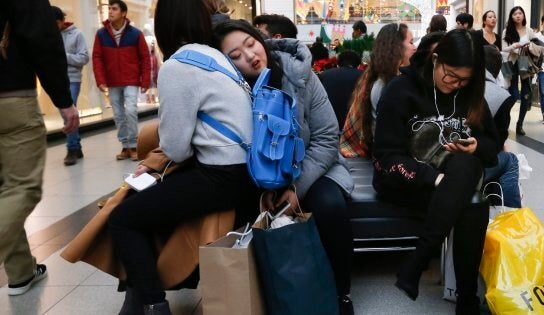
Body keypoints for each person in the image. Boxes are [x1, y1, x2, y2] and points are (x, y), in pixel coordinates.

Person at [107, 0, 261, 313]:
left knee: (123, 218)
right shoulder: (215, 57)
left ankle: (153, 304)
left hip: (222, 177)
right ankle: (143, 292)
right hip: (249, 172)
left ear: (164, 26)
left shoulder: (178, 66)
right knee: (151, 204)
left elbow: (177, 148)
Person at [213, 20, 355, 314]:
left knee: (329, 205)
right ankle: (268, 294)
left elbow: (327, 138)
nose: (249, 56)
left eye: (250, 44)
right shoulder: (229, 93)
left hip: (314, 166)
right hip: (258, 176)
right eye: (235, 55)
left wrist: (295, 189)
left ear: (261, 39)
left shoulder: (299, 75)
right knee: (237, 210)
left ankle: (341, 294)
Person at [372, 29, 497, 314]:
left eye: (464, 80)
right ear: (436, 59)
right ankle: (465, 300)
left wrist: (477, 145)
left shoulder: (469, 93)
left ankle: (420, 260)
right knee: (469, 198)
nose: (455, 84)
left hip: (455, 182)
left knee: (468, 176)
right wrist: (434, 178)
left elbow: (492, 147)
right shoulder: (401, 90)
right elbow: (386, 158)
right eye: (451, 74)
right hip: (407, 180)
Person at [0, 0, 79, 296]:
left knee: (4, 191)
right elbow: (43, 44)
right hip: (12, 100)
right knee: (22, 188)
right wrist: (63, 100)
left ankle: (20, 273)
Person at [340, 23, 416, 157]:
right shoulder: (386, 86)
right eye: (411, 42)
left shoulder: (381, 79)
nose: (414, 47)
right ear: (397, 48)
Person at [93, 0, 150, 161]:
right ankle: (125, 146)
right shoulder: (101, 34)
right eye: (109, 8)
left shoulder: (135, 34)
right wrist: (100, 79)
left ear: (123, 13)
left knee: (131, 110)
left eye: (114, 9)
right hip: (112, 81)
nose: (110, 11)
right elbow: (97, 58)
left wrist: (145, 80)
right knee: (118, 114)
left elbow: (145, 58)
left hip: (131, 79)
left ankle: (134, 145)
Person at [483, 45, 521, 207]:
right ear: (498, 71)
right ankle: (512, 216)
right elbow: (498, 141)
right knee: (510, 160)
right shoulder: (502, 96)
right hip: (466, 167)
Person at [51, 6, 89, 166]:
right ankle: (77, 146)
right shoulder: (49, 36)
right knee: (66, 115)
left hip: (73, 79)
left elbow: (84, 57)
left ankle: (71, 148)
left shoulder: (77, 34)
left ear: (60, 21)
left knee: (68, 115)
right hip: (57, 80)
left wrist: (63, 56)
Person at [502, 6, 536, 136]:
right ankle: (503, 120)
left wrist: (530, 48)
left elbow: (536, 46)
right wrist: (514, 46)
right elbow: (504, 49)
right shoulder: (507, 31)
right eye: (515, 13)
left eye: (520, 13)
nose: (517, 15)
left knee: (526, 94)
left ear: (523, 16)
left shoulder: (529, 30)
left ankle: (519, 124)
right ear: (511, 16)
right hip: (509, 62)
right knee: (513, 94)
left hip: (524, 62)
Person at [319, 50, 363, 131]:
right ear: (358, 64)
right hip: (354, 124)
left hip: (328, 122)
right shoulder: (363, 76)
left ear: (338, 63)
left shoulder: (325, 75)